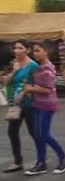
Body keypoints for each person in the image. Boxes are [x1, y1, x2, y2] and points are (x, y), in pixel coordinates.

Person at [22, 42, 65, 175]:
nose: (35, 53)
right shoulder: (38, 67)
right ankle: (41, 162)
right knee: (38, 135)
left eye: (38, 51)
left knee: (44, 134)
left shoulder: (47, 69)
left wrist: (30, 89)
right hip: (37, 104)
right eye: (34, 51)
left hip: (47, 105)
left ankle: (64, 158)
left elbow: (48, 89)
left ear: (46, 52)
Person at [3, 41, 38, 173]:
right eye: (15, 48)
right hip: (15, 105)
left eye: (20, 48)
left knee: (34, 132)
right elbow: (6, 82)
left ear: (27, 50)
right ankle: (18, 161)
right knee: (12, 132)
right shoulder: (15, 64)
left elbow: (36, 85)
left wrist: (24, 92)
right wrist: (14, 71)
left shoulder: (33, 66)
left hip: (29, 104)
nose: (16, 51)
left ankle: (41, 159)